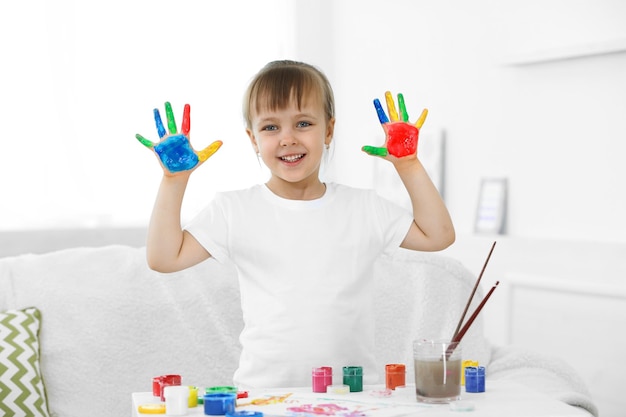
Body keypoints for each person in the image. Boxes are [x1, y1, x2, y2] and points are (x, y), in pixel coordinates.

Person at [141, 60, 455, 389]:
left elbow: (439, 235)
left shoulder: (364, 207)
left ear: (329, 130)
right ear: (253, 139)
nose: (287, 139)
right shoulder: (233, 209)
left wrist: (409, 165)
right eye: (271, 128)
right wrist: (174, 180)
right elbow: (163, 258)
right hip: (264, 394)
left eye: (303, 123)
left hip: (353, 395)